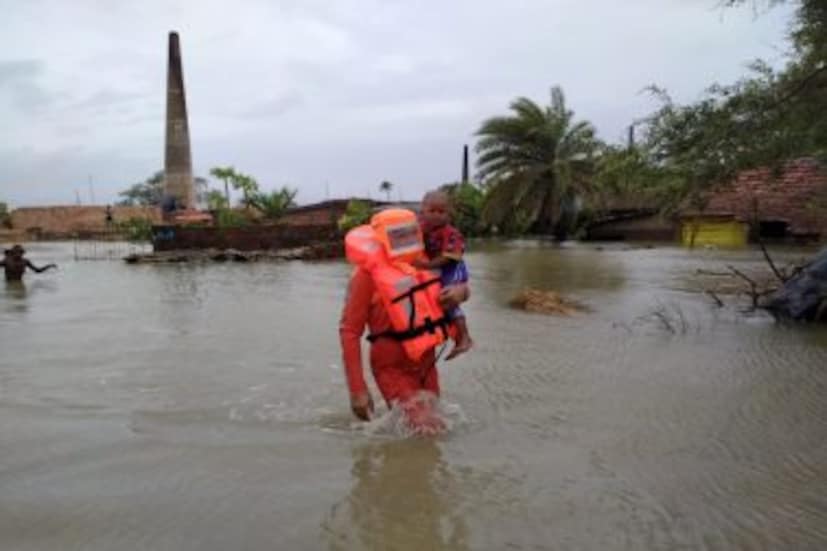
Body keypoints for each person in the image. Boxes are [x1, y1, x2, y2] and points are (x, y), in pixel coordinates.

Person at [339, 210, 470, 428]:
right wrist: (357, 389)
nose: (406, 241)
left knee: (432, 427)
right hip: (391, 366)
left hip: (426, 361)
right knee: (426, 428)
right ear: (382, 238)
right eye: (397, 235)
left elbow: (461, 287)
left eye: (410, 233)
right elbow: (349, 331)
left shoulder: (425, 262)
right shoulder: (366, 276)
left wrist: (461, 292)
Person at [412, 190, 474, 360]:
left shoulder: (451, 233)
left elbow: (448, 258)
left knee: (447, 298)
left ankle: (464, 337)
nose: (436, 216)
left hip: (452, 268)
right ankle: (454, 336)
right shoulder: (417, 228)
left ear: (449, 214)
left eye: (442, 212)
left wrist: (427, 265)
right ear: (422, 211)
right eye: (432, 211)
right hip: (434, 267)